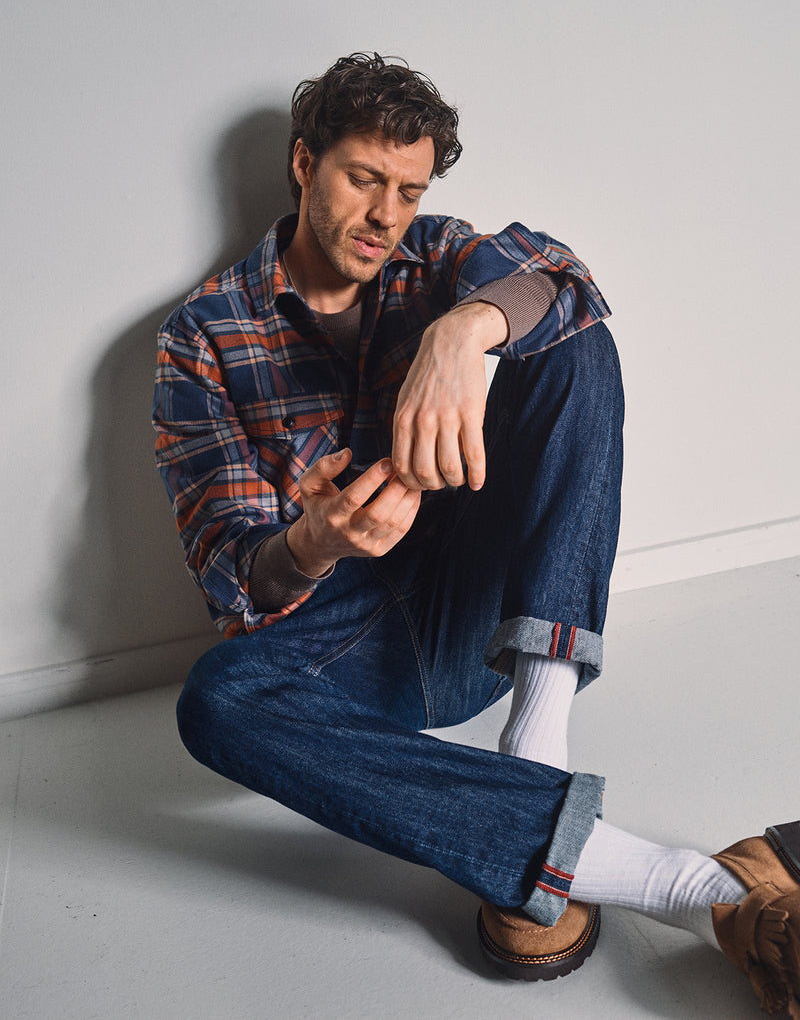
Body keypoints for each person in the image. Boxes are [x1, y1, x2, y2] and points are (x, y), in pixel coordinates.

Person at [153, 53, 799, 1015]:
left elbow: (567, 280)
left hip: (485, 618)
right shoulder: (202, 334)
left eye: (407, 190)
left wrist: (468, 330)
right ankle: (699, 885)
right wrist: (318, 541)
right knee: (215, 701)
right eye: (363, 178)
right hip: (354, 653)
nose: (385, 215)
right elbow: (234, 580)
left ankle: (533, 743)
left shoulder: (436, 254)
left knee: (575, 345)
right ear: (303, 164)